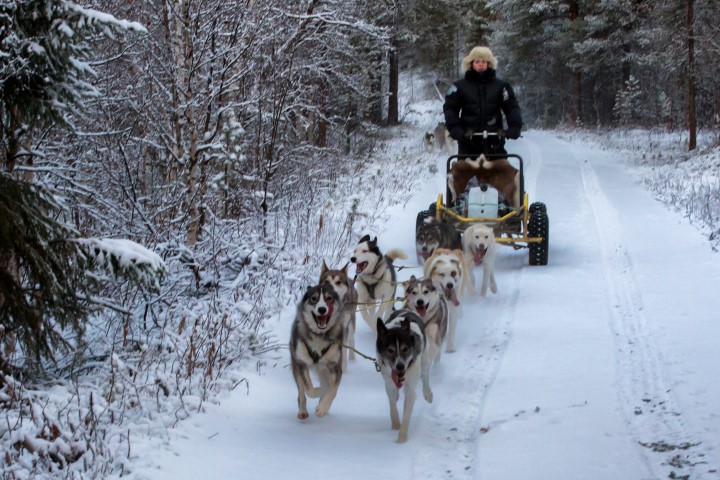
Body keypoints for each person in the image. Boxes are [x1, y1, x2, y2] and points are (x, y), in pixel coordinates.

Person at [443, 46, 523, 158]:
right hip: (468, 138)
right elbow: (450, 109)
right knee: (462, 173)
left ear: (489, 63)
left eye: (484, 61)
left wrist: (515, 126)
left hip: (495, 138)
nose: (480, 64)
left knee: (503, 172)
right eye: (477, 62)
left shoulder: (502, 87)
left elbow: (511, 107)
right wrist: (454, 128)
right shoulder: (458, 87)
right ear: (471, 63)